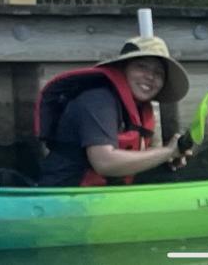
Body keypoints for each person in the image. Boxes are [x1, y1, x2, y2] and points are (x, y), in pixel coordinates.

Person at [35, 36, 192, 186]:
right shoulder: (98, 100)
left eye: (159, 73)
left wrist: (164, 157)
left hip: (102, 194)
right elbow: (104, 162)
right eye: (141, 66)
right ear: (122, 69)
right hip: (66, 197)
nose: (150, 76)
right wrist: (168, 152)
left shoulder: (138, 107)